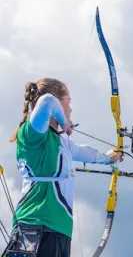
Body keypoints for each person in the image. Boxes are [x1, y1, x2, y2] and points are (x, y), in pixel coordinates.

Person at [2, 78, 123, 257]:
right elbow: (47, 101)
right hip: (37, 226)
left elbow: (83, 152)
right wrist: (64, 121)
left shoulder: (58, 142)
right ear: (59, 103)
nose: (71, 109)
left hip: (58, 229)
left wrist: (108, 158)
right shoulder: (31, 135)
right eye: (68, 102)